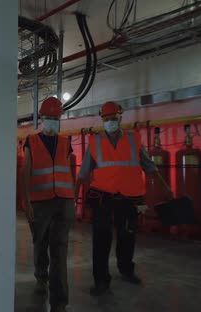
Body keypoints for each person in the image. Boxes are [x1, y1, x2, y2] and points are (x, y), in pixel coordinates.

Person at [74, 101, 173, 296]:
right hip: (103, 196)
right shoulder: (95, 142)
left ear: (120, 118)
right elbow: (83, 172)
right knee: (101, 240)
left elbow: (149, 166)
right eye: (107, 119)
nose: (110, 122)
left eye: (113, 118)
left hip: (130, 197)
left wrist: (166, 187)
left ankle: (126, 270)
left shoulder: (133, 139)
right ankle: (101, 281)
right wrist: (72, 194)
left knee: (127, 236)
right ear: (102, 120)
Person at [22, 97, 75, 312]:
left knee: (60, 250)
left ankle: (59, 302)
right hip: (40, 202)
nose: (53, 121)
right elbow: (26, 172)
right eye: (49, 118)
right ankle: (41, 278)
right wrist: (26, 201)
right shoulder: (31, 141)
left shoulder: (65, 142)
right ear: (42, 119)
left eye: (56, 118)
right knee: (40, 243)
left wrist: (73, 199)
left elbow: (69, 171)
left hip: (63, 201)